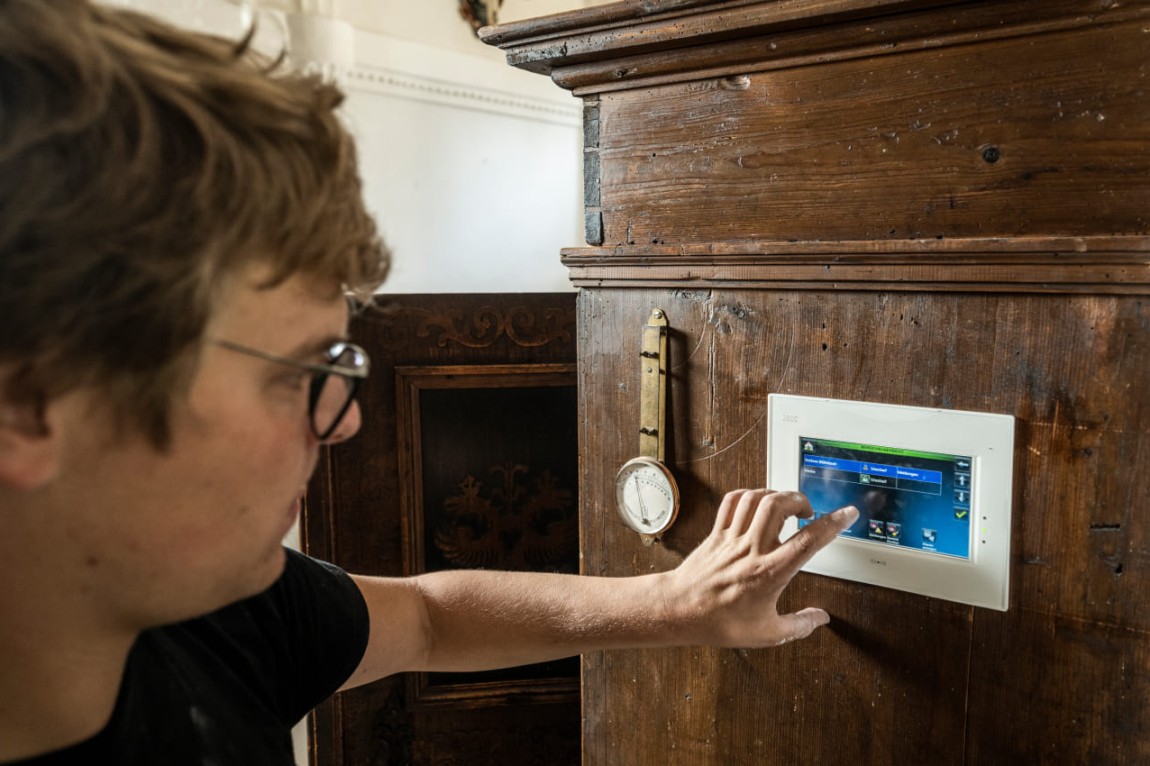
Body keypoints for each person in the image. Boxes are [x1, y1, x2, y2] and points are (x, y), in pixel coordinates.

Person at [0, 1, 859, 763]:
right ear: (30, 407)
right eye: (301, 373)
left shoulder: (216, 611)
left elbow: (426, 618)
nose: (338, 427)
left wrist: (678, 603)